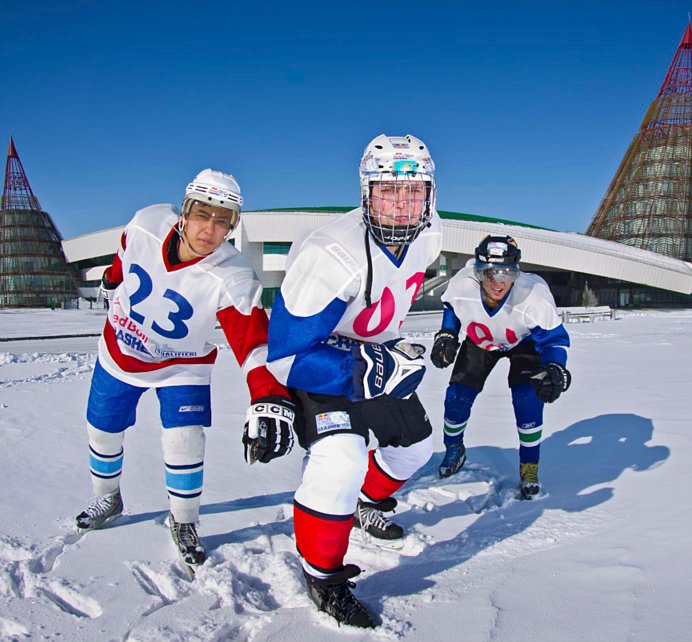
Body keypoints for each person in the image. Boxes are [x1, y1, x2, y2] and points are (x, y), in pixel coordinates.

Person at [75, 169, 295, 571]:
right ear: (184, 211)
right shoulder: (146, 224)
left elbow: (252, 340)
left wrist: (266, 394)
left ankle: (184, 520)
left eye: (222, 220)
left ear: (233, 226)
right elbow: (123, 256)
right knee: (102, 430)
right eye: (202, 214)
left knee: (185, 441)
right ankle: (108, 496)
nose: (209, 228)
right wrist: (111, 282)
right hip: (122, 349)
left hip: (182, 363)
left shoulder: (232, 276)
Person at [267, 134, 442, 628]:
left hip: (375, 356)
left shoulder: (430, 233)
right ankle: (323, 575)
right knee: (339, 459)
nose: (403, 205)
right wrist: (364, 365)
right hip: (322, 363)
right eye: (389, 191)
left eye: (414, 192)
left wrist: (381, 356)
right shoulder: (332, 254)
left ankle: (366, 502)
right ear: (366, 193)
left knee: (414, 449)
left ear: (430, 194)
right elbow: (284, 355)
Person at [430, 235, 571, 499]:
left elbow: (555, 340)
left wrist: (555, 367)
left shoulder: (533, 296)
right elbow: (452, 306)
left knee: (528, 400)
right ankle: (454, 448)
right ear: (478, 271)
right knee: (457, 398)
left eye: (507, 273)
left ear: (517, 271)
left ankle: (529, 466)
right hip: (480, 341)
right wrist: (448, 333)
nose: (498, 282)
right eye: (490, 273)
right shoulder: (463, 285)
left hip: (523, 343)